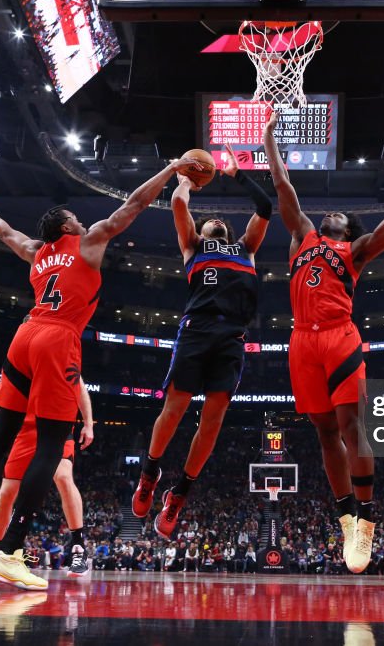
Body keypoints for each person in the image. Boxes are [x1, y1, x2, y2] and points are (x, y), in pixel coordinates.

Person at [0, 158, 198, 590]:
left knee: (1, 436)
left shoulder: (36, 251)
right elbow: (135, 204)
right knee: (52, 448)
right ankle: (10, 551)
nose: (84, 221)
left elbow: (6, 232)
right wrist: (172, 168)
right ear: (67, 228)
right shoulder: (88, 243)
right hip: (57, 339)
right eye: (76, 219)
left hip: (24, 334)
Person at [264, 107, 384, 573]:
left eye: (341, 215)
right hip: (301, 341)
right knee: (323, 433)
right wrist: (269, 139)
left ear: (348, 230)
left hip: (340, 337)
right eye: (331, 213)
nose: (333, 212)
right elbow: (283, 186)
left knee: (350, 427)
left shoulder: (355, 250)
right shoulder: (301, 235)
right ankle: (345, 515)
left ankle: (366, 519)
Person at [133, 144, 272, 538]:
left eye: (216, 221)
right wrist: (183, 176)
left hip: (231, 337)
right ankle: (149, 473)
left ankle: (180, 493)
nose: (212, 221)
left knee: (212, 421)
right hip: (196, 329)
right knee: (174, 408)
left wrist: (237, 173)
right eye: (206, 220)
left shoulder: (246, 248)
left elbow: (265, 208)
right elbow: (179, 204)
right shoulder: (192, 246)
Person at [0, 378, 94, 578]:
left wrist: (88, 424)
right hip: (26, 428)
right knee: (6, 492)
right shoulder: (25, 355)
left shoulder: (61, 353)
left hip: (57, 426)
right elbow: (11, 389)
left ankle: (78, 547)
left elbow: (80, 386)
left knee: (63, 477)